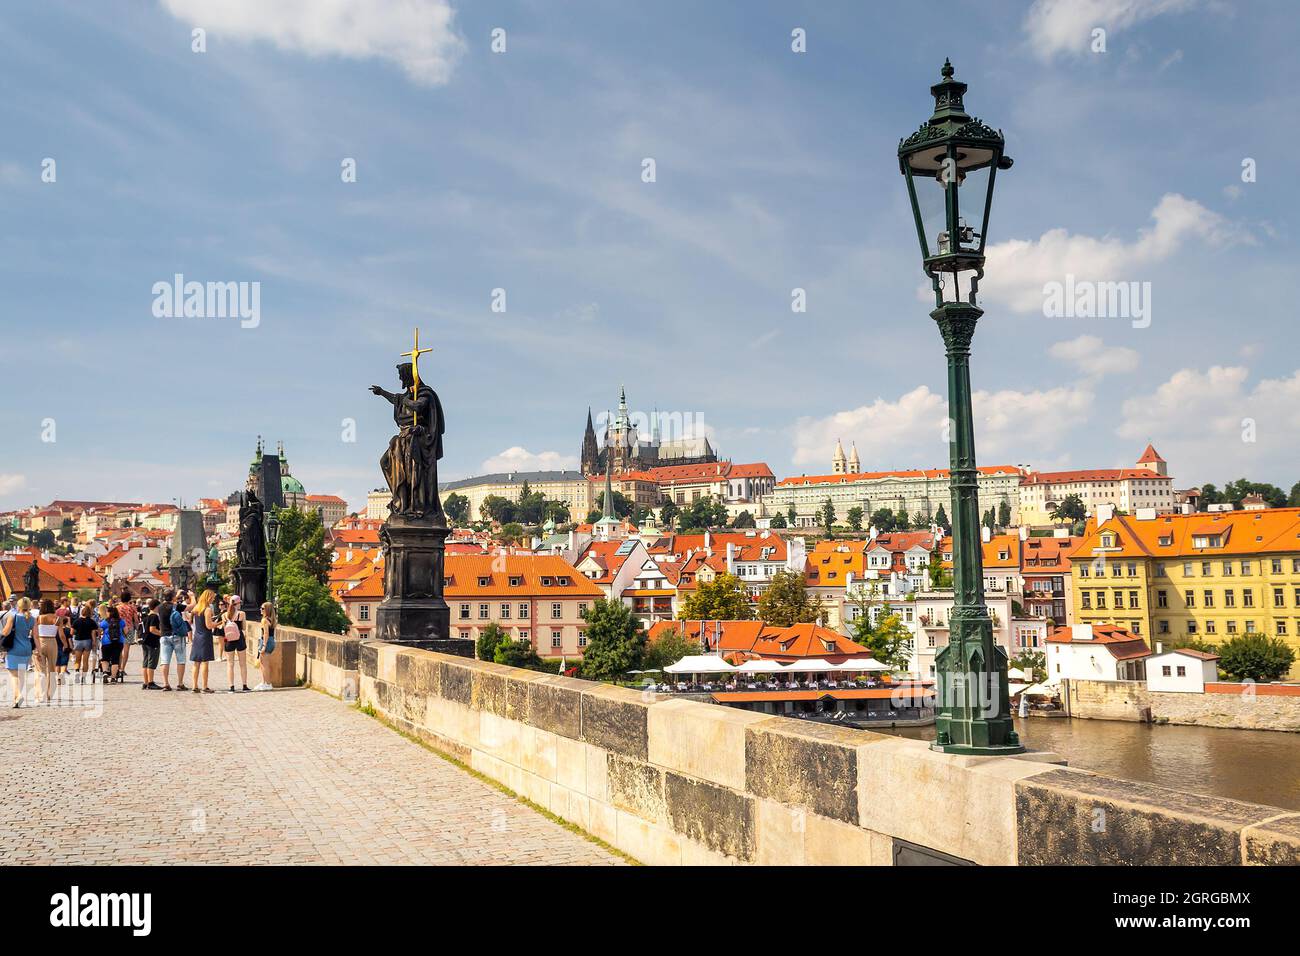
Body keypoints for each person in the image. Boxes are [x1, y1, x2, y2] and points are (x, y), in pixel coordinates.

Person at [2, 597, 36, 707]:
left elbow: (6, 632)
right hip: (26, 649)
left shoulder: (14, 616)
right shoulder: (32, 619)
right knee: (21, 675)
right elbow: (35, 636)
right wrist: (38, 651)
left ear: (18, 605)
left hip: (14, 649)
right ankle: (16, 700)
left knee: (13, 675)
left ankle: (19, 695)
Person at [188, 589, 217, 694]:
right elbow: (209, 625)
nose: (213, 599)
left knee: (196, 662)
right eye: (212, 597)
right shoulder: (207, 609)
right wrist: (219, 623)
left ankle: (194, 686)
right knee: (205, 662)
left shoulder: (196, 608)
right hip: (205, 636)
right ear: (208, 597)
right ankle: (205, 686)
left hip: (197, 636)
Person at [33, 599, 61, 704]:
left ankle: (41, 695)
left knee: (40, 670)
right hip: (52, 642)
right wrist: (66, 645)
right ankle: (50, 693)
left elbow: (33, 634)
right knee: (52, 669)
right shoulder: (57, 619)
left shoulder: (37, 618)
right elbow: (61, 634)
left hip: (40, 641)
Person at [222, 595, 250, 693]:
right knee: (242, 664)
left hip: (229, 640)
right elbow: (244, 627)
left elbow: (223, 627)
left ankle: (231, 687)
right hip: (239, 639)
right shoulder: (241, 614)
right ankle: (244, 685)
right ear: (237, 604)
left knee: (230, 664)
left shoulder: (224, 615)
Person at [162, 597, 190, 692]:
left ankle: (165, 683)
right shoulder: (176, 606)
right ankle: (180, 683)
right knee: (181, 660)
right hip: (178, 636)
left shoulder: (160, 607)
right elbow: (192, 606)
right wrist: (192, 596)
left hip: (164, 636)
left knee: (165, 661)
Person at [70, 604, 97, 683]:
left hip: (78, 641)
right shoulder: (92, 622)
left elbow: (72, 632)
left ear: (82, 612)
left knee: (77, 660)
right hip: (87, 641)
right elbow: (93, 633)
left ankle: (77, 671)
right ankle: (84, 678)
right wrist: (94, 642)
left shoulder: (76, 621)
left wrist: (77, 632)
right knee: (85, 661)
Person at [99, 605, 126, 684]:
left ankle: (105, 673)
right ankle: (113, 678)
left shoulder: (105, 621)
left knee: (105, 659)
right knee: (115, 660)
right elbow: (126, 631)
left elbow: (100, 630)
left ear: (109, 613)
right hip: (118, 642)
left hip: (106, 642)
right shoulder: (121, 621)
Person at [140, 599, 163, 690]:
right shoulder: (154, 616)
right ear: (157, 607)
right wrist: (162, 633)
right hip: (152, 641)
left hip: (145, 641)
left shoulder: (146, 616)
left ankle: (145, 682)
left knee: (145, 662)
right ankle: (150, 682)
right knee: (151, 662)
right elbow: (152, 629)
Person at [116, 590, 140, 678]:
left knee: (119, 649)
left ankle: (117, 668)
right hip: (129, 629)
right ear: (129, 598)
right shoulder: (132, 608)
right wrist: (138, 629)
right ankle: (122, 669)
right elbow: (136, 620)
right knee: (126, 649)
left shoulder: (117, 608)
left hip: (119, 629)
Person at [254, 602, 277, 691]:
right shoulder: (271, 619)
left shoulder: (264, 620)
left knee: (264, 665)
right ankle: (264, 682)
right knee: (263, 664)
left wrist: (264, 645)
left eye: (263, 608)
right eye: (261, 608)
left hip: (266, 641)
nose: (261, 609)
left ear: (267, 610)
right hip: (271, 641)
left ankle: (267, 684)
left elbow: (266, 633)